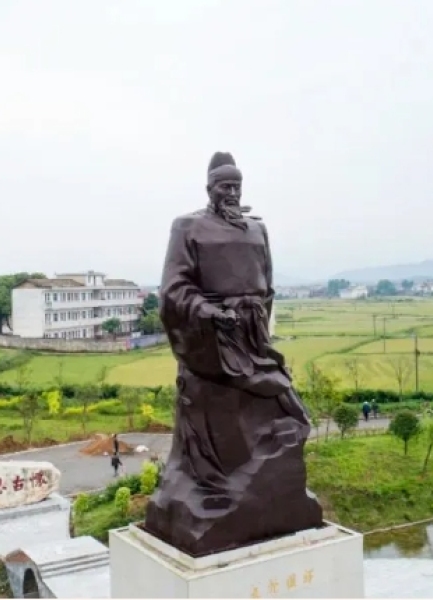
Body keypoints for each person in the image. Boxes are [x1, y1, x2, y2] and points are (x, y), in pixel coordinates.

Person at [144, 151, 323, 557]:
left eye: (237, 186)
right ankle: (213, 492)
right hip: (211, 340)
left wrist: (256, 327)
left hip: (252, 336)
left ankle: (270, 493)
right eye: (225, 186)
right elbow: (173, 289)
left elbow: (268, 285)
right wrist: (209, 315)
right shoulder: (188, 227)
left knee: (285, 404)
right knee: (216, 420)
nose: (232, 192)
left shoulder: (257, 230)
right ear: (209, 189)